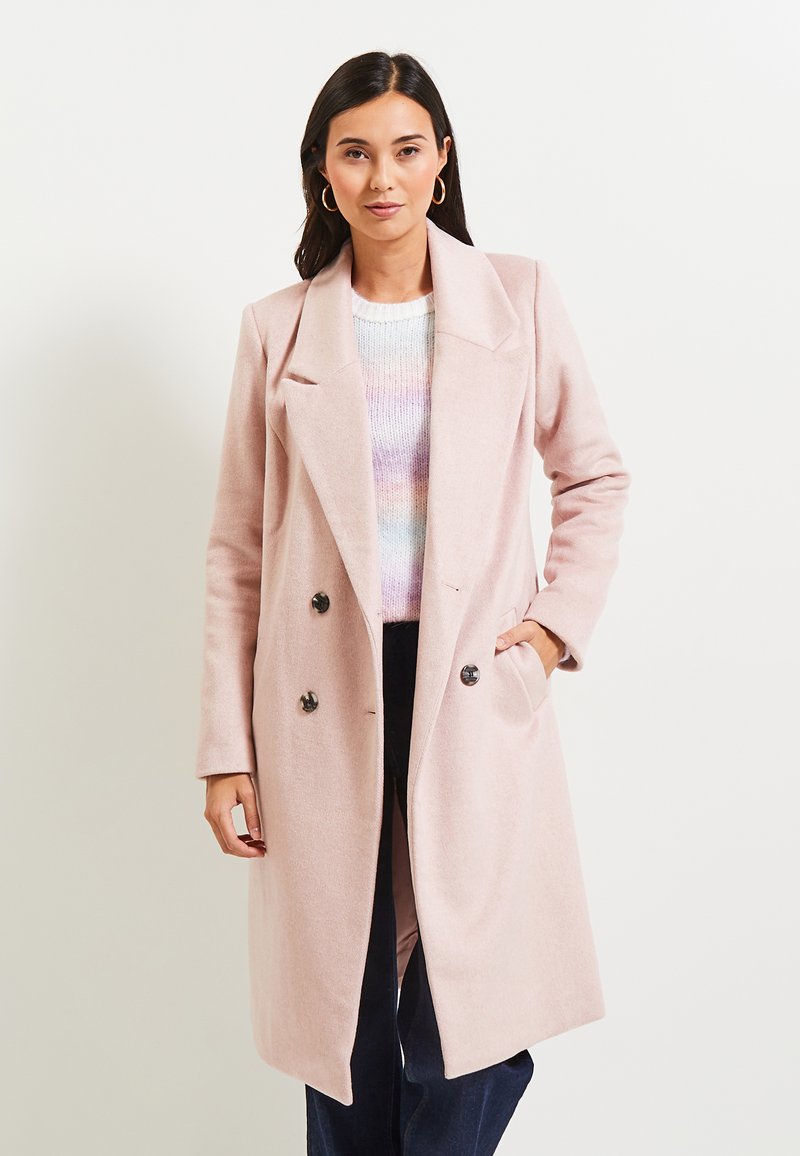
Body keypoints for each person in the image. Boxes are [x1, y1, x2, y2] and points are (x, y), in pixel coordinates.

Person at [197, 50, 630, 1155]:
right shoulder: (277, 328)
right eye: (354, 153)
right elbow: (238, 551)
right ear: (323, 171)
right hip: (321, 694)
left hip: (468, 684)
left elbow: (592, 475)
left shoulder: (516, 298)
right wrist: (225, 748)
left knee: (467, 1017)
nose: (380, 176)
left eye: (404, 149)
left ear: (442, 161)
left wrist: (549, 631)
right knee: (342, 1024)